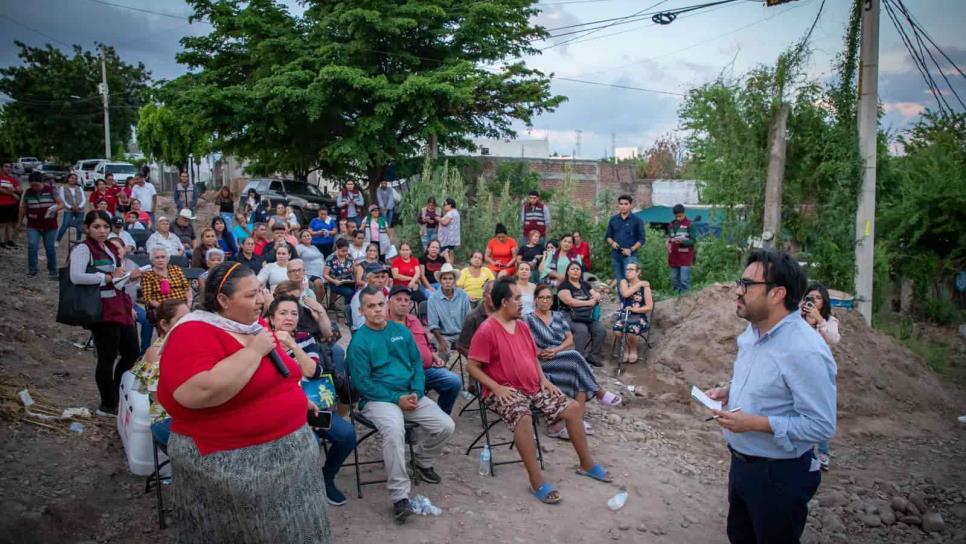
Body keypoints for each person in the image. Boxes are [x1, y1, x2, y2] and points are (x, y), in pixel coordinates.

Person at [157, 262, 332, 542]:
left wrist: (299, 401)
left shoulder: (254, 326)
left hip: (292, 458)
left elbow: (282, 375)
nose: (262, 300)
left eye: (261, 291)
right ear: (223, 300)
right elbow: (197, 392)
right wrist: (254, 351)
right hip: (235, 465)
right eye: (251, 295)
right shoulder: (193, 332)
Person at [704, 250, 836, 544]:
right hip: (742, 466)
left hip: (778, 476)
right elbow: (767, 380)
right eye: (741, 282)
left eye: (748, 285)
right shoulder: (753, 332)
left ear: (777, 294)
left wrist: (755, 423)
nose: (738, 291)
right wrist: (730, 390)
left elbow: (821, 425)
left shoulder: (806, 350)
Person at [467, 277, 612, 504]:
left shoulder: (522, 326)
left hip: (534, 386)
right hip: (504, 391)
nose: (522, 303)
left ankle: (587, 464)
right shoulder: (487, 330)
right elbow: (472, 366)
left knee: (573, 408)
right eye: (517, 298)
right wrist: (495, 387)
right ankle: (537, 480)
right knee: (523, 417)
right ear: (504, 302)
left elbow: (532, 356)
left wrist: (543, 379)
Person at [346, 286, 455, 522]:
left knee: (446, 425)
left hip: (410, 393)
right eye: (370, 306)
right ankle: (400, 497)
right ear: (361, 310)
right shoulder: (359, 342)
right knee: (395, 431)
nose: (377, 309)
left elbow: (417, 364)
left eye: (380, 304)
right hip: (378, 399)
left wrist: (416, 392)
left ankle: (422, 461)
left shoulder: (401, 331)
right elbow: (363, 385)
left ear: (386, 305)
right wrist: (397, 399)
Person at [266, 294, 354, 505]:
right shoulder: (262, 343)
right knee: (310, 444)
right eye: (283, 313)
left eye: (294, 313)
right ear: (271, 318)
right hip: (283, 412)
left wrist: (293, 345)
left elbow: (313, 371)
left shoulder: (306, 338)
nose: (289, 317)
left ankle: (327, 478)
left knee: (347, 435)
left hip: (313, 408)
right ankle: (301, 487)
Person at [69, 210, 141, 415]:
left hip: (121, 306)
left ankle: (116, 393)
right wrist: (106, 278)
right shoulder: (83, 249)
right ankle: (107, 404)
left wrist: (130, 277)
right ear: (87, 228)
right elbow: (76, 276)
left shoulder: (110, 247)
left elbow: (117, 277)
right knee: (107, 357)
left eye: (105, 227)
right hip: (102, 310)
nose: (101, 231)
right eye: (96, 227)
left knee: (132, 353)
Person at [527, 283, 622, 438]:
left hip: (561, 355)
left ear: (552, 300)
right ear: (535, 300)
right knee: (576, 358)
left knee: (576, 367)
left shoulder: (558, 316)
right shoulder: (528, 319)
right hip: (542, 362)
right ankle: (599, 392)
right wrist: (540, 352)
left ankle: (577, 419)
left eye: (548, 298)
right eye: (541, 298)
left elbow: (570, 340)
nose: (545, 301)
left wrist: (556, 350)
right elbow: (526, 344)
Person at [388, 286, 462, 414]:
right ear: (389, 303)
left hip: (426, 370)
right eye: (398, 300)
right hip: (403, 375)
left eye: (407, 300)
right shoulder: (384, 325)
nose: (403, 303)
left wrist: (434, 356)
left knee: (453, 381)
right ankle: (406, 426)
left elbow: (426, 343)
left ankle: (441, 415)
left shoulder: (414, 320)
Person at [129, 299, 190, 446]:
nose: (189, 324)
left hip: (184, 415)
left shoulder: (183, 345)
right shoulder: (157, 353)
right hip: (166, 419)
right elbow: (160, 398)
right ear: (164, 324)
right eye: (182, 320)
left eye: (190, 318)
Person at [801, 282, 840, 471]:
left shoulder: (829, 321)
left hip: (821, 372)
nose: (813, 301)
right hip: (799, 371)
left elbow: (834, 339)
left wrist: (819, 321)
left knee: (821, 410)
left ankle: (823, 452)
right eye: (810, 297)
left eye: (818, 298)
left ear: (824, 302)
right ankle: (804, 452)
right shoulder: (796, 319)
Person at [141, 246, 192, 349]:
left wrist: (188, 303)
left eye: (163, 257)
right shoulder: (148, 275)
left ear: (167, 258)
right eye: (157, 257)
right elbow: (148, 299)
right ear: (152, 260)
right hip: (162, 308)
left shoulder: (176, 269)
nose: (160, 260)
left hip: (182, 306)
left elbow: (187, 288)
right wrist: (165, 307)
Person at [557, 262, 606, 367]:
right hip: (570, 315)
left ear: (581, 272)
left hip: (587, 315)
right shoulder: (564, 285)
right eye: (572, 269)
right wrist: (588, 302)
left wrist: (597, 296)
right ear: (568, 272)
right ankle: (578, 358)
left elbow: (595, 295)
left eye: (578, 269)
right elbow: (569, 301)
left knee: (600, 329)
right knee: (582, 330)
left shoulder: (585, 284)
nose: (575, 271)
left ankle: (593, 356)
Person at [18, 171, 64, 279]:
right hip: (33, 225)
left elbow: (61, 204)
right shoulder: (28, 192)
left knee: (50, 248)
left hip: (50, 225)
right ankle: (32, 270)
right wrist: (19, 222)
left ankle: (52, 270)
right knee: (32, 246)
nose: (35, 187)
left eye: (37, 185)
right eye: (32, 185)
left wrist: (54, 209)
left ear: (42, 182)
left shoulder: (51, 190)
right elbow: (23, 207)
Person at [427, 263, 471, 357]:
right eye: (444, 278)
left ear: (454, 281)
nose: (447, 281)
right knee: (443, 353)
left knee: (476, 354)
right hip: (443, 335)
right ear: (440, 281)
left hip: (462, 334)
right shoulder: (433, 299)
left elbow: (469, 319)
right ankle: (443, 371)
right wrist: (441, 340)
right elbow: (433, 324)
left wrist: (467, 337)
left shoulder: (463, 295)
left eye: (450, 278)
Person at [613, 262, 653, 365]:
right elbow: (626, 294)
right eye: (627, 270)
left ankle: (633, 349)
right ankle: (626, 349)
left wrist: (635, 310)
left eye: (631, 269)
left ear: (638, 272)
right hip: (623, 315)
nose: (628, 272)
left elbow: (649, 307)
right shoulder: (623, 282)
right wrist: (639, 284)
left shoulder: (645, 288)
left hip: (639, 317)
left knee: (632, 329)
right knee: (618, 330)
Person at [605, 194, 645, 282]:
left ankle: (631, 296)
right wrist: (612, 243)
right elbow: (608, 237)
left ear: (630, 205)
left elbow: (641, 239)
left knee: (631, 279)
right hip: (616, 255)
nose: (623, 206)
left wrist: (631, 249)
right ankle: (621, 296)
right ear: (618, 205)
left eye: (626, 204)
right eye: (621, 204)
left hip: (630, 256)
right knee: (620, 280)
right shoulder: (613, 219)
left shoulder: (637, 220)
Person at [456, 280, 495, 353]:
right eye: (492, 293)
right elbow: (461, 346)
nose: (496, 297)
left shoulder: (504, 315)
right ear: (484, 295)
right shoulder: (473, 317)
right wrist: (477, 360)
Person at [349, 265, 390, 331]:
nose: (381, 280)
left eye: (383, 277)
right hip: (367, 331)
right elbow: (359, 324)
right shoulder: (359, 296)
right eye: (376, 277)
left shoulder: (387, 290)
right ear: (367, 279)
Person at [667, 204, 696, 293]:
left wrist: (683, 242)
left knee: (684, 280)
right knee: (675, 279)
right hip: (674, 256)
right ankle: (676, 297)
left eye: (680, 216)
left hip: (685, 256)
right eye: (677, 216)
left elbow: (693, 240)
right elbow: (669, 238)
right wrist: (668, 243)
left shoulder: (690, 224)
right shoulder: (671, 225)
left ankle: (685, 298)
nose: (679, 218)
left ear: (684, 213)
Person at [323, 238, 355, 307]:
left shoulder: (349, 257)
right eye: (342, 251)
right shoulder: (331, 258)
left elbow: (354, 269)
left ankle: (354, 308)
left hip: (348, 282)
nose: (345, 253)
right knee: (349, 292)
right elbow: (325, 274)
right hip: (335, 283)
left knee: (358, 289)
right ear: (337, 248)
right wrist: (334, 281)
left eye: (346, 251)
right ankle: (348, 310)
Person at [56, 173, 86, 246]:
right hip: (68, 210)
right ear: (68, 178)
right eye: (72, 178)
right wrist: (70, 207)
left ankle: (78, 240)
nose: (73, 179)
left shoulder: (80, 188)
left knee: (79, 225)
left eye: (75, 178)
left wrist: (80, 206)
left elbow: (84, 199)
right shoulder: (63, 188)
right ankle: (57, 240)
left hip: (80, 210)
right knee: (65, 225)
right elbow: (63, 200)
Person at [0, 160, 23, 248]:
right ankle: (1, 241)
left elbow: (20, 190)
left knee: (10, 223)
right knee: (2, 224)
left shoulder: (12, 179)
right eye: (6, 166)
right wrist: (12, 193)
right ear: (1, 167)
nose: (8, 168)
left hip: (12, 204)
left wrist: (14, 190)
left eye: (9, 167)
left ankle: (9, 240)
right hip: (1, 204)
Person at [296, 231, 325, 298]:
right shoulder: (299, 247)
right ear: (300, 239)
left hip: (322, 272)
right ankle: (316, 304)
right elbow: (296, 259)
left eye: (308, 235)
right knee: (318, 282)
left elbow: (321, 258)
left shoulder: (314, 247)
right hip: (309, 273)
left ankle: (329, 304)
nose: (307, 237)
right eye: (304, 236)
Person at [437, 197, 461, 263]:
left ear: (450, 205)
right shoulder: (456, 213)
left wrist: (438, 219)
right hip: (452, 238)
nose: (444, 206)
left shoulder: (451, 213)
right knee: (451, 251)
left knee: (443, 252)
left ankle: (447, 266)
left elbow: (445, 223)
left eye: (445, 205)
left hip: (446, 238)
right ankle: (451, 266)